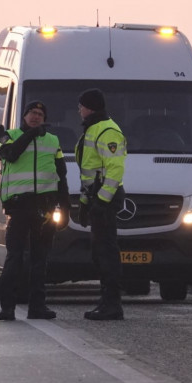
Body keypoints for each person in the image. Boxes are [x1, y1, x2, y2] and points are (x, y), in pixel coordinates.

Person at [0, 100, 68, 321]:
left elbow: (61, 174)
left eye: (40, 114)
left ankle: (37, 307)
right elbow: (11, 154)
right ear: (24, 115)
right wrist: (30, 134)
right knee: (14, 257)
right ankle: (7, 307)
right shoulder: (8, 135)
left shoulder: (52, 140)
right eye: (32, 113)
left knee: (40, 259)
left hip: (43, 208)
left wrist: (65, 207)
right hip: (19, 207)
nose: (36, 117)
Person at [76, 88, 127, 320]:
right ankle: (106, 300)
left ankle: (112, 304)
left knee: (106, 252)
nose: (79, 110)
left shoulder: (106, 130)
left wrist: (101, 202)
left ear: (90, 107)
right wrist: (85, 203)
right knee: (100, 253)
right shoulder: (93, 129)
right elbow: (91, 172)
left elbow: (114, 170)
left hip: (105, 199)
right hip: (98, 198)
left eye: (81, 106)